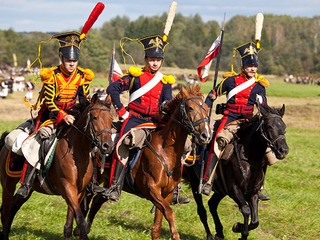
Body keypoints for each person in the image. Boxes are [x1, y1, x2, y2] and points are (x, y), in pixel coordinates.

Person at [14, 31, 102, 198]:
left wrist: (87, 110)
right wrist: (63, 116)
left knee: (91, 140)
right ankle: (27, 182)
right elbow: (50, 102)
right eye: (68, 61)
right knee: (40, 140)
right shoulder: (52, 76)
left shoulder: (82, 76)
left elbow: (84, 100)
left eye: (74, 61)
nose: (72, 64)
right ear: (62, 58)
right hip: (51, 115)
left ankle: (92, 182)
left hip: (73, 114)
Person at [105, 34, 189, 204]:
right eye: (152, 59)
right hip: (135, 119)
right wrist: (122, 112)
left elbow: (165, 102)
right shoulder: (134, 77)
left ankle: (175, 189)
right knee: (123, 144)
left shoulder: (165, 81)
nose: (155, 63)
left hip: (156, 121)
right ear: (145, 59)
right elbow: (112, 89)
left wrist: (168, 107)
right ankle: (115, 185)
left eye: (158, 59)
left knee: (180, 146)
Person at [201, 41, 277, 198]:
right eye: (249, 65)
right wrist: (205, 107)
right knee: (217, 143)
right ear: (243, 66)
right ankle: (207, 180)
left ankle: (259, 186)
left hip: (248, 121)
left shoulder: (259, 86)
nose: (252, 68)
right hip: (230, 118)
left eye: (254, 66)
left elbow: (263, 105)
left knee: (264, 150)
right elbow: (213, 94)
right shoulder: (230, 81)